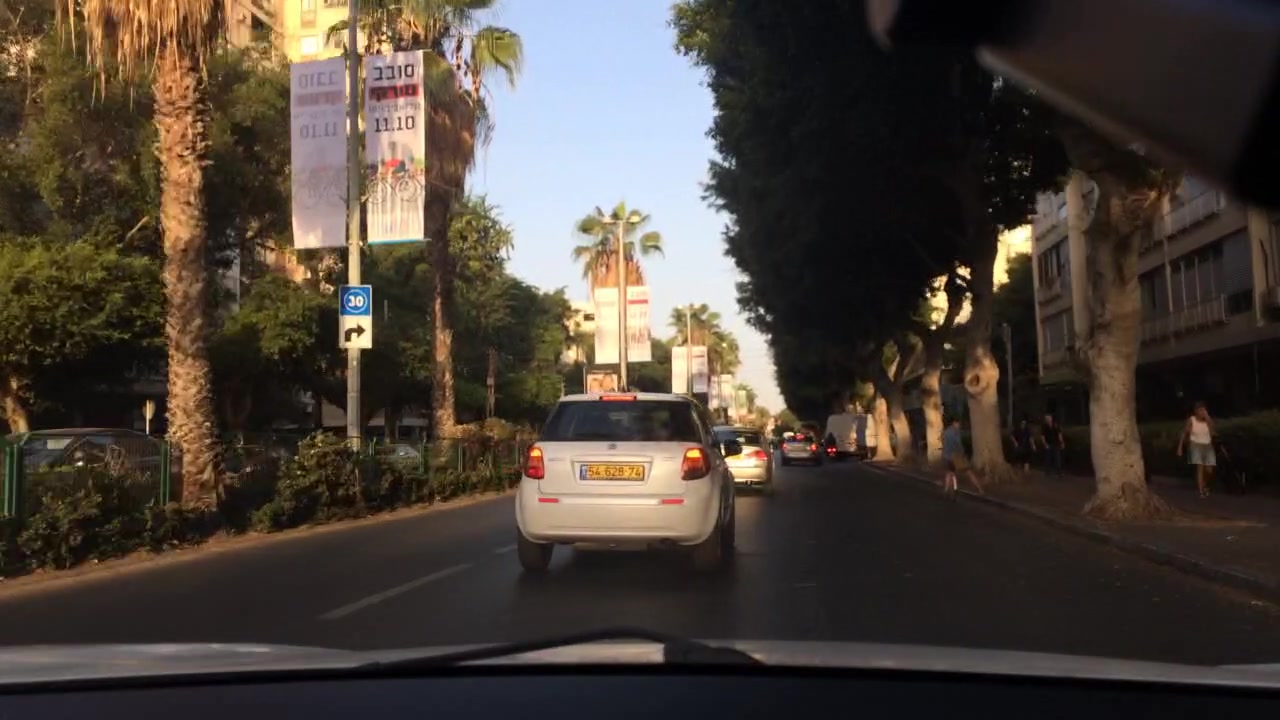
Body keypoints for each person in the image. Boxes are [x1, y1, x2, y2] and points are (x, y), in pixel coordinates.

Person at [1177, 401, 1216, 498]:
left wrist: (1208, 418)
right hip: (1195, 444)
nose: (1202, 412)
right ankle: (1201, 491)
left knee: (1209, 470)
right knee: (1200, 467)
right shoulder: (1192, 420)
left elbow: (1213, 430)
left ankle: (1204, 484)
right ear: (1196, 411)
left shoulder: (1207, 420)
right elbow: (1184, 433)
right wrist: (1180, 447)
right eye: (1200, 410)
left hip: (1207, 444)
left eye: (1204, 410)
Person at [940, 416, 984, 498]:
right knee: (969, 472)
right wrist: (963, 453)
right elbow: (959, 444)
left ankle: (946, 490)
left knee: (949, 472)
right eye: (958, 423)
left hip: (946, 456)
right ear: (954, 423)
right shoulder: (955, 432)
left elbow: (943, 443)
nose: (959, 425)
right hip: (956, 456)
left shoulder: (945, 432)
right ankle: (980, 489)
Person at [1038, 413, 1065, 478]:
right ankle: (1047, 472)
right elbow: (1042, 436)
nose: (1047, 420)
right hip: (1048, 444)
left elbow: (1059, 434)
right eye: (1046, 419)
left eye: (1048, 418)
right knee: (1048, 459)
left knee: (1057, 459)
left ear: (1051, 418)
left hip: (1056, 444)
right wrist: (1045, 444)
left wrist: (1062, 442)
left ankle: (1059, 472)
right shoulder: (1044, 427)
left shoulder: (1056, 425)